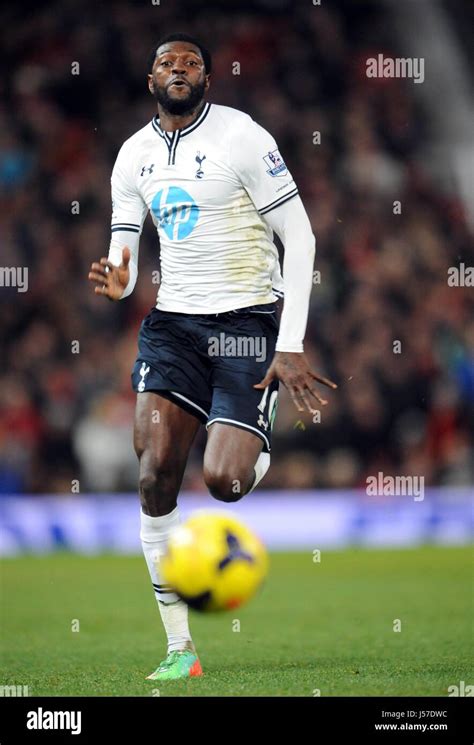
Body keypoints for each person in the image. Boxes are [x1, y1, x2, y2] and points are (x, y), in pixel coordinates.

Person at [88, 32, 336, 681]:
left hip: (247, 322)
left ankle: (255, 442)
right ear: (150, 80)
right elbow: (123, 254)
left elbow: (301, 236)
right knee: (153, 474)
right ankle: (180, 650)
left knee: (225, 481)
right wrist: (119, 280)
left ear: (207, 79)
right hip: (173, 326)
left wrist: (290, 343)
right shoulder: (132, 156)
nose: (179, 69)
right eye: (166, 62)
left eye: (191, 62)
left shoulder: (242, 137)